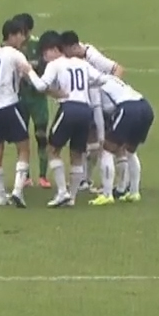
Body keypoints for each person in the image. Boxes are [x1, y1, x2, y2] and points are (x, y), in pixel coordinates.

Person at [31, 34, 102, 209]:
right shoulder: (82, 63)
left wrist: (28, 72)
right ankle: (72, 197)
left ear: (54, 50)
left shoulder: (55, 65)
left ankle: (62, 192)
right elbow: (100, 78)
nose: (44, 58)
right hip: (86, 110)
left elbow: (41, 86)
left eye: (45, 53)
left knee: (52, 149)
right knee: (77, 153)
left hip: (69, 109)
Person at [0, 18, 40, 209]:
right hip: (9, 106)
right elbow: (31, 75)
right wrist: (45, 85)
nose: (23, 38)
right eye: (21, 34)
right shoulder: (15, 54)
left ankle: (0, 196)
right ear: (13, 35)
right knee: (24, 147)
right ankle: (17, 190)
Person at [59, 33, 120, 193]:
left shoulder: (92, 56)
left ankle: (119, 184)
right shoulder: (77, 60)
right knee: (87, 143)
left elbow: (117, 69)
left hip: (104, 106)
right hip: (89, 105)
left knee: (105, 144)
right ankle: (85, 180)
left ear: (73, 47)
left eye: (66, 51)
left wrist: (112, 91)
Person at [91, 67, 153, 204]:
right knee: (130, 151)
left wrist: (102, 137)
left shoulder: (94, 85)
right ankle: (134, 192)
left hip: (128, 109)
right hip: (145, 107)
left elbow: (98, 113)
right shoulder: (111, 78)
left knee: (107, 149)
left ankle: (107, 195)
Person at [11, 13, 54, 189]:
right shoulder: (11, 47)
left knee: (42, 137)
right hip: (19, 98)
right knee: (21, 138)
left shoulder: (38, 45)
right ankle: (26, 176)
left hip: (38, 99)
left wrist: (34, 66)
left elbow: (48, 65)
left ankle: (43, 176)